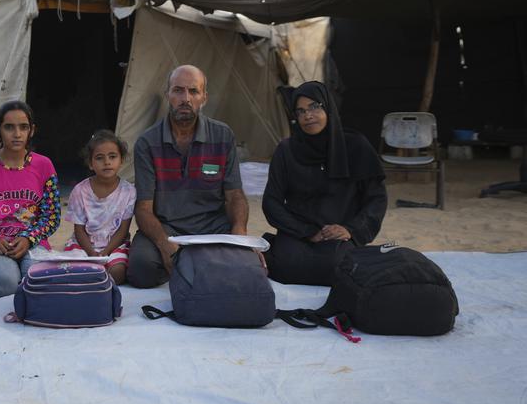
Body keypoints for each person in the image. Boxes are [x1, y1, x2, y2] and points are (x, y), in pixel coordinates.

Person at [129, 65, 249, 288]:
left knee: (246, 264)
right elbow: (143, 209)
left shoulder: (223, 135)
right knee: (140, 269)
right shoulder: (147, 143)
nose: (186, 98)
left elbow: (235, 196)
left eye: (193, 91)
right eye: (178, 90)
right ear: (167, 95)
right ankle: (196, 263)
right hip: (167, 228)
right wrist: (165, 245)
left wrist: (239, 233)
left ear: (204, 97)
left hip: (213, 227)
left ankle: (193, 264)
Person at [262, 81, 387, 285]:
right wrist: (307, 232)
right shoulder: (287, 150)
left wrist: (351, 230)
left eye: (314, 107)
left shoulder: (355, 146)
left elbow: (376, 199)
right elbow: (271, 202)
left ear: (328, 107)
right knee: (286, 265)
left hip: (338, 234)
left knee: (338, 267)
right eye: (300, 111)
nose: (307, 115)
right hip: (298, 233)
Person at [0, 101, 61, 297]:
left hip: (33, 242)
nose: (17, 134)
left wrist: (29, 238)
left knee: (38, 282)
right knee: (5, 285)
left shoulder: (44, 165)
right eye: (9, 127)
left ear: (32, 130)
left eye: (23, 127)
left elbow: (52, 216)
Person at [62, 130, 136, 285]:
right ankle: (92, 277)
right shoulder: (80, 191)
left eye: (112, 156)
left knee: (118, 273)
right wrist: (91, 253)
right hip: (84, 245)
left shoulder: (129, 191)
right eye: (99, 158)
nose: (107, 162)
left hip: (115, 245)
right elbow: (79, 229)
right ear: (90, 163)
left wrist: (106, 252)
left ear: (121, 160)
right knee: (73, 269)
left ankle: (94, 279)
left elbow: (123, 230)